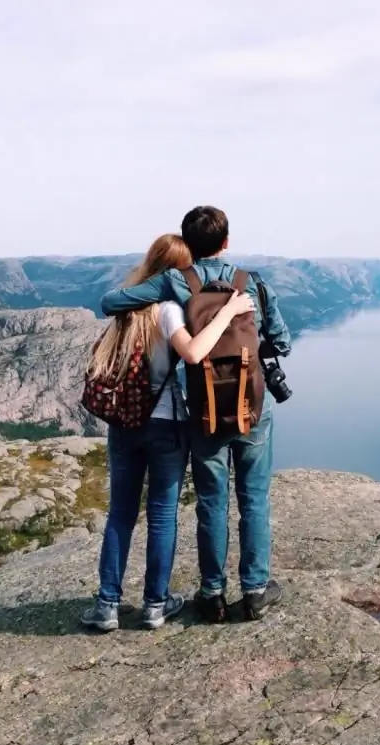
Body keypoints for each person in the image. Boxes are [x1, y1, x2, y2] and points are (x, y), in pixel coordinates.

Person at [100, 206, 292, 623]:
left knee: (211, 500)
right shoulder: (252, 283)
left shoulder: (175, 282)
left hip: (204, 409)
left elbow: (112, 302)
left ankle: (212, 593)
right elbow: (281, 341)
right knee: (254, 499)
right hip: (253, 408)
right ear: (226, 242)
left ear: (188, 244)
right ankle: (256, 590)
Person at [81, 233, 256, 632]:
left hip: (124, 425)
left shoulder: (126, 313)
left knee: (120, 515)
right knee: (161, 516)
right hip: (166, 425)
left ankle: (108, 604)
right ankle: (155, 605)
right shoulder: (167, 310)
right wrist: (227, 314)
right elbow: (194, 353)